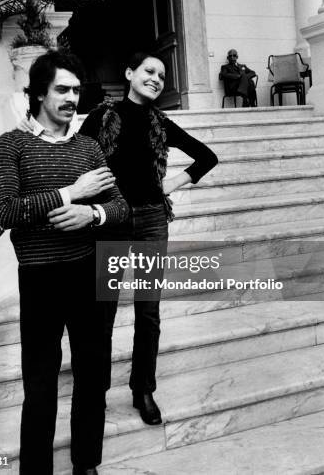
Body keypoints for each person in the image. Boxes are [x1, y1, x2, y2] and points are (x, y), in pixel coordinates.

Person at [0, 50, 129, 475]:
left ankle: (86, 463)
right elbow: (8, 212)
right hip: (40, 278)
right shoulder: (11, 145)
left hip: (88, 273)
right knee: (40, 384)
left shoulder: (88, 148)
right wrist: (73, 192)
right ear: (37, 94)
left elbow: (121, 206)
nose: (72, 97)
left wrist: (95, 213)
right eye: (62, 89)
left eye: (76, 89)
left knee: (93, 377)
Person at [77, 51, 218, 426]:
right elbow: (78, 158)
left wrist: (167, 185)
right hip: (112, 219)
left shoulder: (161, 123)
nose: (155, 78)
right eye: (148, 71)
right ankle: (97, 390)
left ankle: (143, 389)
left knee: (148, 311)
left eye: (161, 74)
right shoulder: (103, 116)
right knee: (102, 311)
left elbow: (206, 157)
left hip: (153, 221)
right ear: (129, 73)